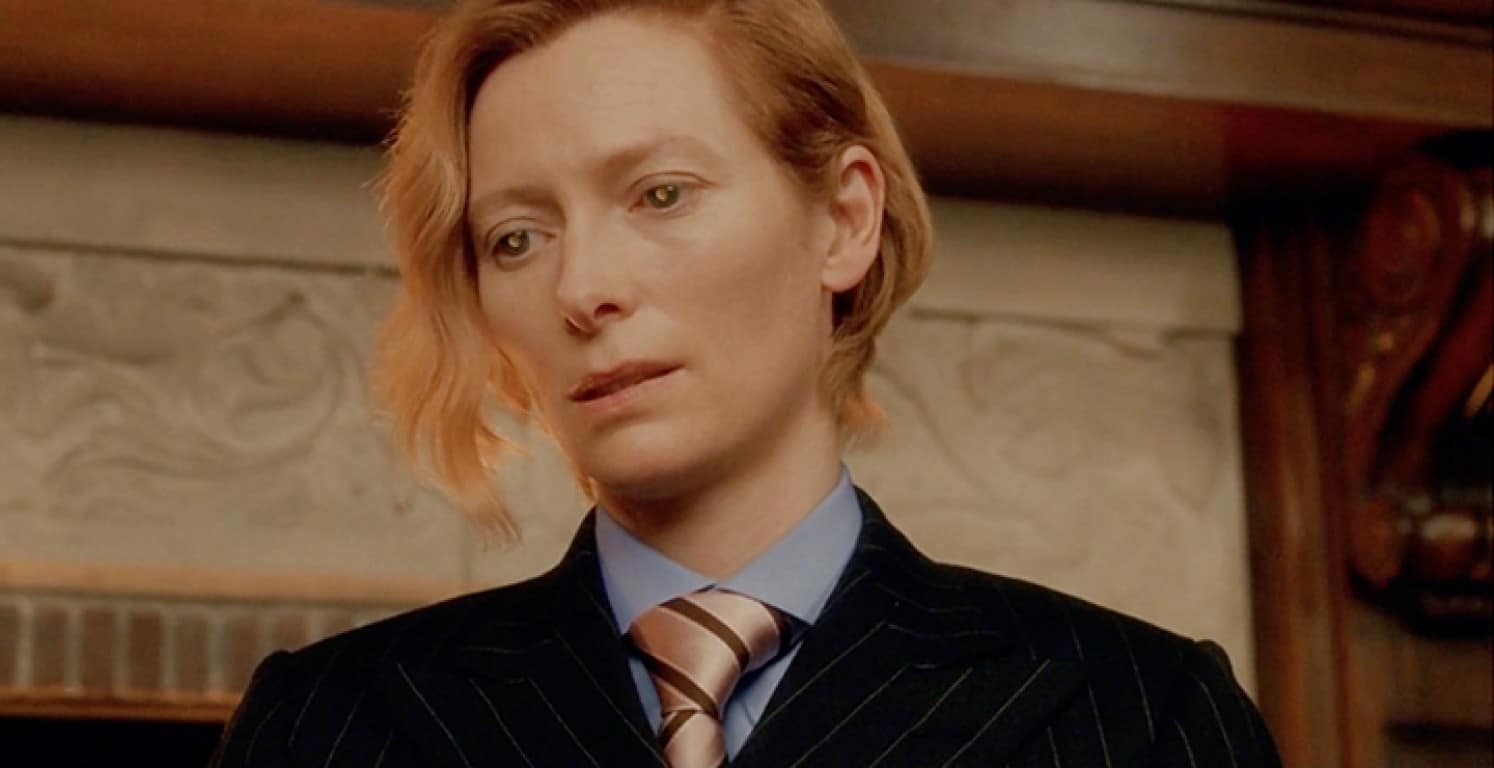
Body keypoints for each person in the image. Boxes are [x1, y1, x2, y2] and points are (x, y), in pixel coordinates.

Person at [211, 0, 1281, 765]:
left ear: (844, 219)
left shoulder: (1141, 715)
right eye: (517, 237)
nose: (582, 289)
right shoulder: (328, 725)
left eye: (660, 194)